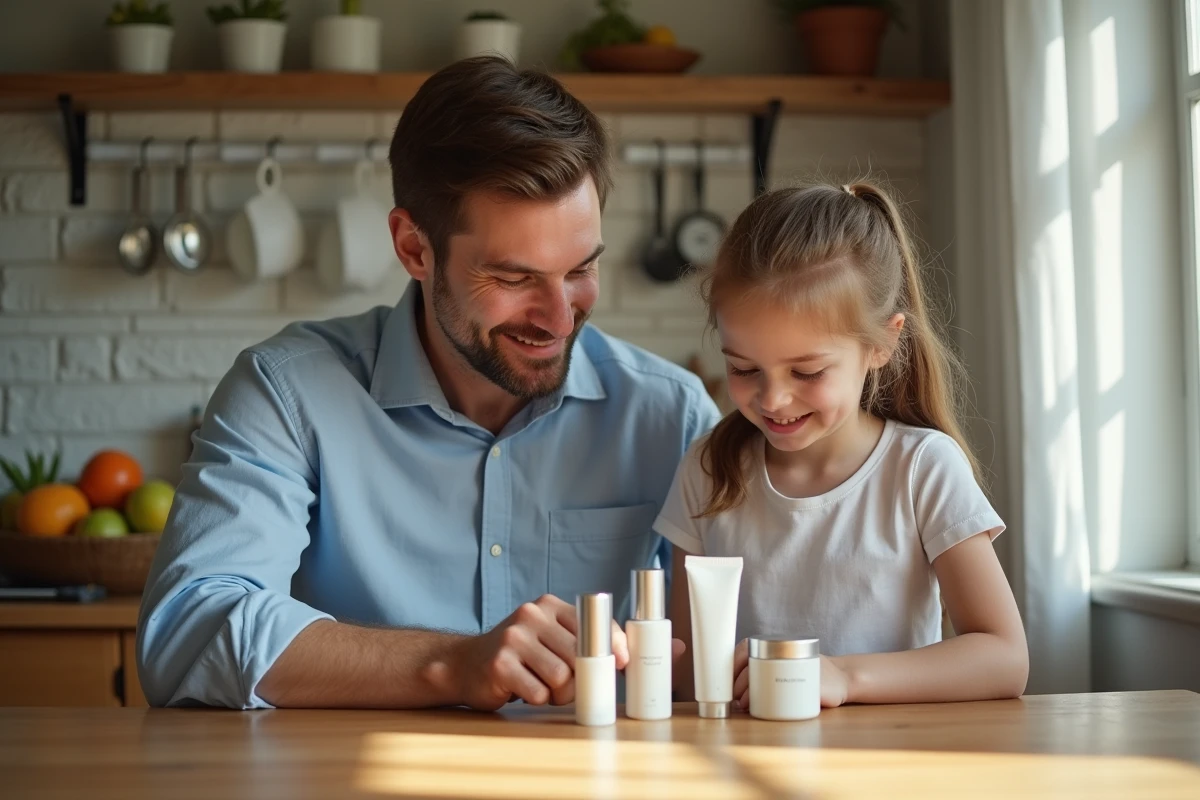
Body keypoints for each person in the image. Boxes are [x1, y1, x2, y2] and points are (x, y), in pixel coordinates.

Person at [137, 56, 719, 710]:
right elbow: (186, 632)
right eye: (514, 277)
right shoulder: (287, 393)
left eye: (581, 269)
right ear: (414, 248)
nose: (561, 318)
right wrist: (453, 663)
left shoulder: (670, 415)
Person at [655, 180, 1029, 709]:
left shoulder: (923, 469)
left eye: (806, 371)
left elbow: (1005, 660)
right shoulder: (708, 469)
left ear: (882, 343)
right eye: (743, 367)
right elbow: (688, 676)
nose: (773, 398)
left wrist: (843, 678)